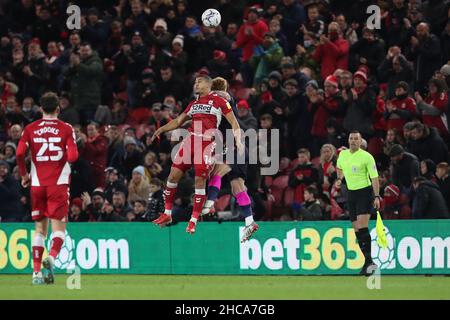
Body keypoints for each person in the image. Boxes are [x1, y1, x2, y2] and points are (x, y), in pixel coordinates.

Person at [150, 74, 244, 234]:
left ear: (208, 85)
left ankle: (193, 221)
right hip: (190, 141)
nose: (195, 84)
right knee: (172, 177)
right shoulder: (194, 103)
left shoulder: (220, 101)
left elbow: (234, 122)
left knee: (199, 181)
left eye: (198, 82)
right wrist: (161, 129)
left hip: (207, 143)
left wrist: (239, 141)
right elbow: (178, 121)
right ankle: (167, 214)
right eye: (195, 82)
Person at [15, 92, 79, 285]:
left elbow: (19, 153)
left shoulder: (30, 128)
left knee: (39, 229)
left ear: (41, 108)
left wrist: (24, 175)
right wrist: (63, 160)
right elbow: (74, 157)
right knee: (58, 228)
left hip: (37, 184)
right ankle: (51, 257)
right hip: (58, 184)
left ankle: (35, 274)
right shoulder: (66, 128)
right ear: (58, 109)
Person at [199, 77, 259, 242]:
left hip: (234, 148)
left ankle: (209, 204)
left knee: (217, 173)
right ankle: (250, 221)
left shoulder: (223, 98)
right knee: (237, 187)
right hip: (235, 148)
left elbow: (223, 95)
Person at [336, 131, 380, 276]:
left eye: (356, 139)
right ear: (348, 140)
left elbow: (374, 178)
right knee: (356, 230)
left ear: (360, 141)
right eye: (351, 138)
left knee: (362, 227)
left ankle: (369, 263)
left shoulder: (367, 157)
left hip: (364, 193)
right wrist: (339, 178)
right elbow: (339, 167)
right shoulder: (343, 155)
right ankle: (368, 262)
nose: (353, 141)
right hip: (351, 194)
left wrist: (377, 196)